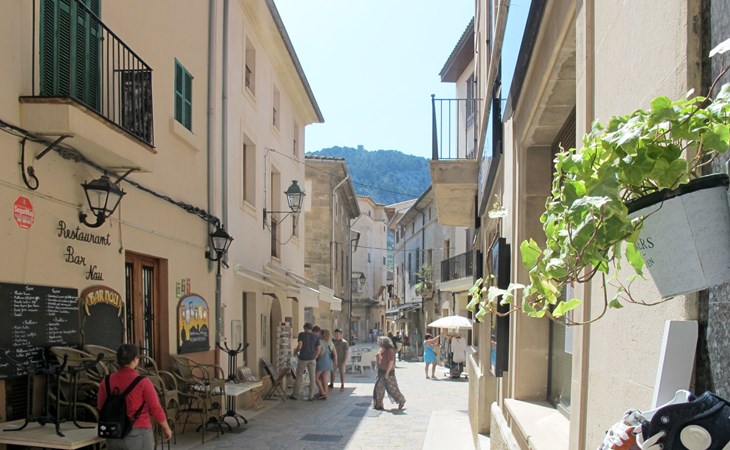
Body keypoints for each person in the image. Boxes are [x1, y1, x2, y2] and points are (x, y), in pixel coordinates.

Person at [96, 344, 172, 450]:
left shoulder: (106, 381)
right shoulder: (143, 382)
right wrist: (166, 427)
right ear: (135, 359)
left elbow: (101, 406)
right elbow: (155, 407)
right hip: (138, 433)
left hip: (113, 433)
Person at [372, 336, 406, 411]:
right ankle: (379, 404)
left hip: (388, 373)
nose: (379, 343)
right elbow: (379, 356)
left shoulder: (390, 350)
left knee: (392, 388)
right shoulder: (381, 349)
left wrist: (387, 373)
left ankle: (401, 400)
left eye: (380, 342)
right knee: (379, 388)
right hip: (380, 372)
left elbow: (391, 362)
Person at [290, 322, 320, 400]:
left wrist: (295, 351)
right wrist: (315, 357)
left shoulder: (302, 335)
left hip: (303, 358)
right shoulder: (316, 336)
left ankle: (295, 395)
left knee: (299, 376)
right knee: (312, 377)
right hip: (312, 359)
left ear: (305, 328)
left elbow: (300, 346)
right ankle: (311, 396)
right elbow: (318, 349)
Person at [315, 329, 336, 400]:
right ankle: (325, 393)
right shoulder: (330, 342)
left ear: (322, 334)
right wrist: (335, 361)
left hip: (322, 361)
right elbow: (334, 352)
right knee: (325, 378)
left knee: (316, 378)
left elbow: (318, 352)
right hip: (329, 361)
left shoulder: (319, 341)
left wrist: (314, 358)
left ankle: (322, 392)